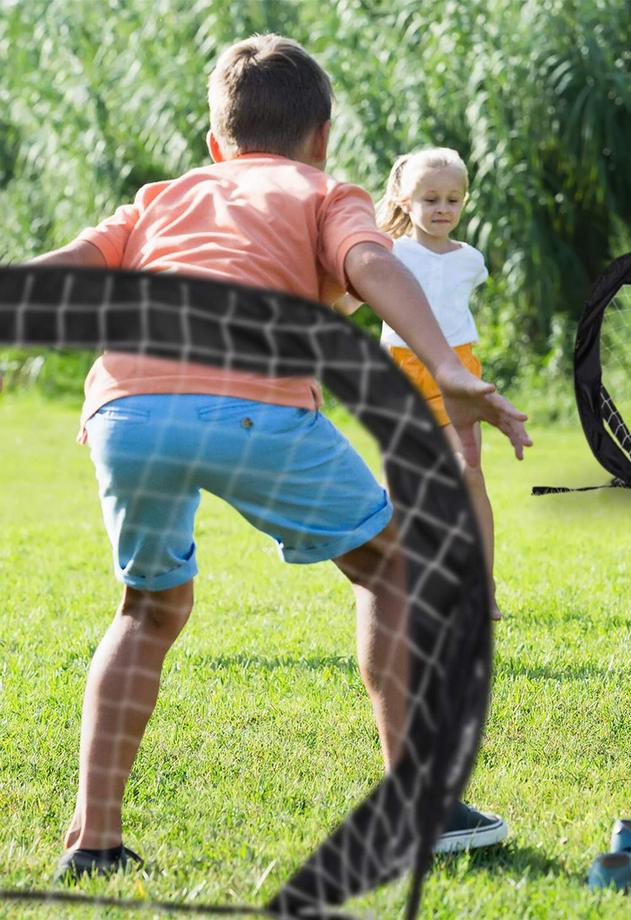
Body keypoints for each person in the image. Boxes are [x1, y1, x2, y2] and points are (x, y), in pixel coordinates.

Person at [30, 34, 528, 880]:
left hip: (129, 410)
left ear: (217, 141)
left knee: (145, 613)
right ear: (322, 134)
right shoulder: (327, 189)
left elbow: (65, 273)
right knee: (394, 571)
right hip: (253, 402)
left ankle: (95, 842)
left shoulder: (161, 197)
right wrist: (445, 363)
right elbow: (371, 262)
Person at [336, 147, 503, 620]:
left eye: (453, 199)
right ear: (405, 202)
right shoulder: (388, 253)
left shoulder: (471, 260)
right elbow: (345, 305)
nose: (443, 208)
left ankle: (482, 586)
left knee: (469, 476)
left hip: (459, 371)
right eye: (430, 199)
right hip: (402, 373)